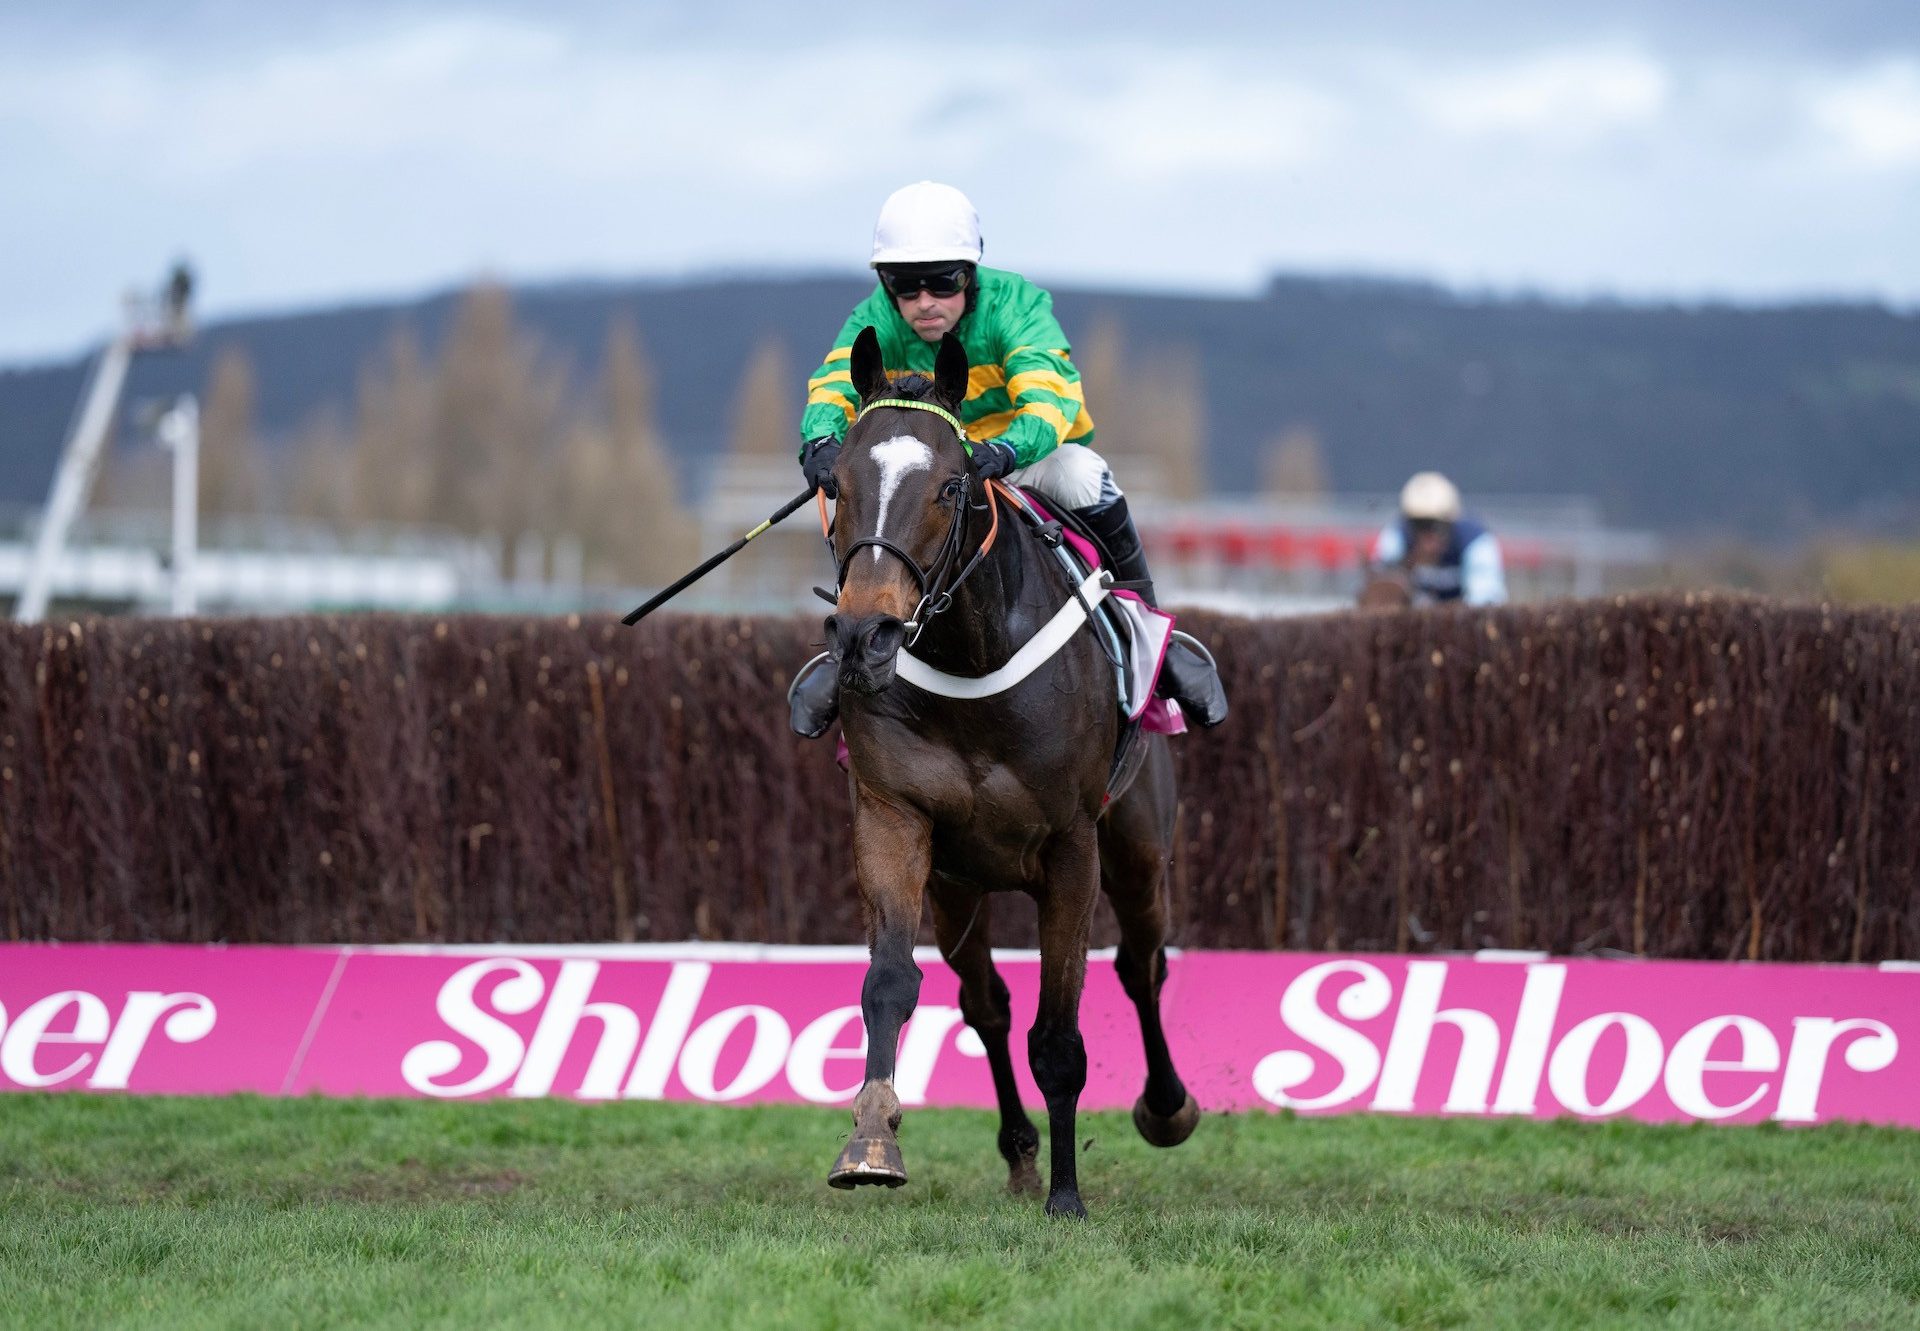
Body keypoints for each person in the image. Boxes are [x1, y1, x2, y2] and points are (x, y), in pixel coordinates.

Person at [789, 181, 1227, 736]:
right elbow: (833, 383)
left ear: (970, 274)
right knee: (859, 488)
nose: (924, 301)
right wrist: (819, 441)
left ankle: (1152, 639)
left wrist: (1006, 449)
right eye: (904, 285)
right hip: (930, 470)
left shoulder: (1016, 306)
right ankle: (850, 649)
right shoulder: (875, 317)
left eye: (942, 281)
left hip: (1009, 456)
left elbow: (1048, 398)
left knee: (1083, 473)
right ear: (885, 284)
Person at [1370, 471, 1508, 605]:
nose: (1427, 534)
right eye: (1419, 525)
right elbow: (1380, 591)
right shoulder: (1396, 537)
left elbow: (1485, 600)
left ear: (1451, 523)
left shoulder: (1474, 542)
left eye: (1436, 526)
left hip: (1461, 618)